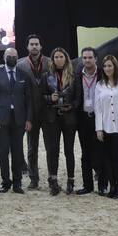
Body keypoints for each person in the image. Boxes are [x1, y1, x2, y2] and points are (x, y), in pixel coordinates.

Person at [0, 46, 30, 193]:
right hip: (1, 120)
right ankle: (6, 182)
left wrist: (29, 119)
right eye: (9, 56)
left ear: (18, 57)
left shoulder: (24, 74)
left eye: (14, 56)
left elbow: (28, 100)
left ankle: (17, 183)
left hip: (19, 120)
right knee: (3, 152)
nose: (11, 58)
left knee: (17, 152)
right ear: (4, 57)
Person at [40, 47, 78, 195]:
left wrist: (71, 106)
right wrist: (50, 98)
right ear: (52, 59)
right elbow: (40, 96)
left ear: (66, 58)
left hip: (69, 118)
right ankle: (53, 181)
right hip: (52, 118)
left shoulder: (74, 76)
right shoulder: (46, 76)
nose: (58, 59)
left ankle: (71, 181)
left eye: (61, 57)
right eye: (56, 57)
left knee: (69, 150)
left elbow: (78, 98)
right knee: (52, 150)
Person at [16, 35, 52, 190]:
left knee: (51, 147)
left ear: (41, 46)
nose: (34, 47)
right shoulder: (20, 65)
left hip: (48, 113)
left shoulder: (50, 62)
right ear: (27, 47)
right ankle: (34, 179)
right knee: (32, 148)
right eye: (32, 44)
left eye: (37, 44)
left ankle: (53, 178)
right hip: (30, 114)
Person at [93, 54, 118, 199]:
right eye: (106, 66)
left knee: (117, 157)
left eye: (110, 65)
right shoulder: (99, 85)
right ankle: (112, 186)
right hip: (105, 126)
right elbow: (98, 108)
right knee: (106, 158)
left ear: (115, 67)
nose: (108, 68)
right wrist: (99, 128)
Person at [74, 47, 103, 195]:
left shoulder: (104, 74)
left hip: (100, 119)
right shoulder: (77, 75)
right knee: (85, 153)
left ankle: (103, 186)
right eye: (84, 58)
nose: (87, 60)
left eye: (90, 57)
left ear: (96, 59)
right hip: (83, 118)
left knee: (101, 151)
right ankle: (88, 185)